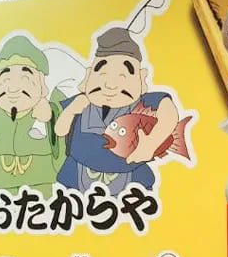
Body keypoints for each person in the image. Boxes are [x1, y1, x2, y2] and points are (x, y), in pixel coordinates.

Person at [55, 27, 183, 193]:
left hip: (131, 183)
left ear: (142, 78)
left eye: (123, 76)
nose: (111, 85)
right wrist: (71, 110)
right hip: (76, 180)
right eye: (102, 75)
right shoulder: (80, 103)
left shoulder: (142, 103)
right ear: (88, 75)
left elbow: (168, 112)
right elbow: (59, 130)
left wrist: (151, 143)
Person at [0, 35, 64, 196]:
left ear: (41, 84)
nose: (13, 88)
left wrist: (51, 120)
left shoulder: (50, 109)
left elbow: (61, 159)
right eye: (5, 78)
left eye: (25, 78)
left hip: (41, 194)